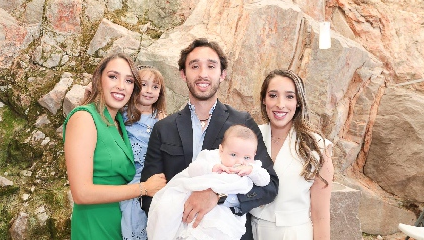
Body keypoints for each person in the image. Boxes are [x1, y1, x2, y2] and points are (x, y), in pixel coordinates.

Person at [141, 38, 279, 240]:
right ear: (183, 74)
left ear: (222, 74)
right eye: (194, 66)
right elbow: (149, 193)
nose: (203, 74)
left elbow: (269, 186)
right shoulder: (164, 128)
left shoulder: (242, 123)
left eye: (211, 66)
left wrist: (219, 196)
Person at [63, 53, 166, 240]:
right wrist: (144, 188)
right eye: (113, 77)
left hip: (120, 223)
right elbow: (82, 193)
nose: (120, 85)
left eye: (128, 80)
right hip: (94, 224)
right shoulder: (84, 118)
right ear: (98, 80)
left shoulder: (120, 121)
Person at [250, 69, 334, 240]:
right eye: (273, 95)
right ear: (263, 100)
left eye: (289, 96)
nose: (280, 104)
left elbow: (321, 215)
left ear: (298, 102)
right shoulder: (251, 137)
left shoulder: (316, 146)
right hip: (249, 231)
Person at [147, 125, 270, 240]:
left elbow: (265, 180)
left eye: (247, 157)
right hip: (193, 200)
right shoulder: (212, 157)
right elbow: (193, 168)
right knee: (170, 209)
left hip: (224, 211)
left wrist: (251, 171)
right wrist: (211, 168)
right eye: (233, 154)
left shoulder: (252, 167)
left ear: (254, 155)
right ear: (221, 150)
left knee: (218, 229)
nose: (240, 161)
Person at [120, 66, 167, 240]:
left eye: (155, 87)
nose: (149, 91)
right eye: (144, 85)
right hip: (132, 175)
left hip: (155, 174)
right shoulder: (123, 114)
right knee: (131, 213)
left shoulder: (162, 118)